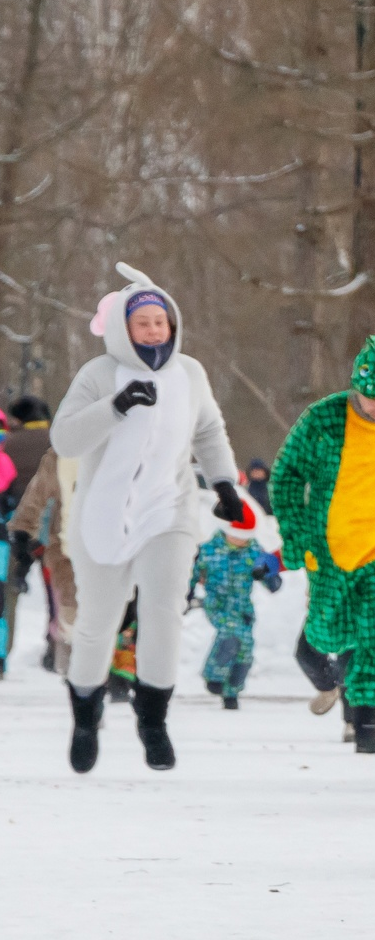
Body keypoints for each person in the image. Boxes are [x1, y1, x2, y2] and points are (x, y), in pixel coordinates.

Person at [49, 262, 245, 772]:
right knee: (97, 626)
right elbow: (64, 439)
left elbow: (208, 432)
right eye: (145, 322)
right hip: (104, 517)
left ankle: (152, 721)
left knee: (164, 616)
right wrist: (115, 406)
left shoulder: (190, 374)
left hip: (169, 510)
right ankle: (86, 718)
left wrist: (224, 485)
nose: (156, 330)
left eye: (162, 321)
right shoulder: (98, 375)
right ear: (123, 328)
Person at [271, 336, 375, 754]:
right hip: (331, 548)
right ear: (355, 390)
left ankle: (365, 723)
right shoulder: (324, 419)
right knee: (330, 631)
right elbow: (287, 475)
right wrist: (298, 535)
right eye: (369, 398)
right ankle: (314, 658)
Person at [191, 497, 283, 708]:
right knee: (231, 633)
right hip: (217, 603)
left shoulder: (253, 551)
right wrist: (186, 595)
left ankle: (231, 691)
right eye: (237, 536)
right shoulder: (208, 550)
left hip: (243, 607)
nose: (241, 541)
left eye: (245, 538)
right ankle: (213, 677)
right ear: (226, 530)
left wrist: (268, 576)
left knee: (246, 649)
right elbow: (192, 574)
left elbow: (273, 581)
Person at [10, 446, 77, 674]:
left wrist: (22, 531)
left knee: (70, 608)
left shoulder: (62, 449)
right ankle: (79, 678)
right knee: (74, 609)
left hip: (65, 543)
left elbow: (37, 494)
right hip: (69, 543)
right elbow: (38, 492)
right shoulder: (63, 450)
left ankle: (78, 676)